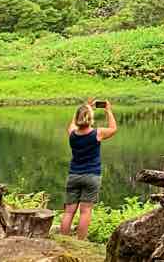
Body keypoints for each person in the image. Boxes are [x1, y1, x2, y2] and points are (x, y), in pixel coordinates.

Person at [59, 98, 117, 239]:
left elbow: (72, 124)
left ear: (78, 117)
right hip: (92, 176)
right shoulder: (97, 133)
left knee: (68, 212)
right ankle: (80, 242)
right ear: (91, 118)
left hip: (74, 175)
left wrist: (83, 108)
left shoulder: (72, 134)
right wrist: (108, 111)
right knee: (85, 211)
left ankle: (63, 241)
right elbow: (113, 129)